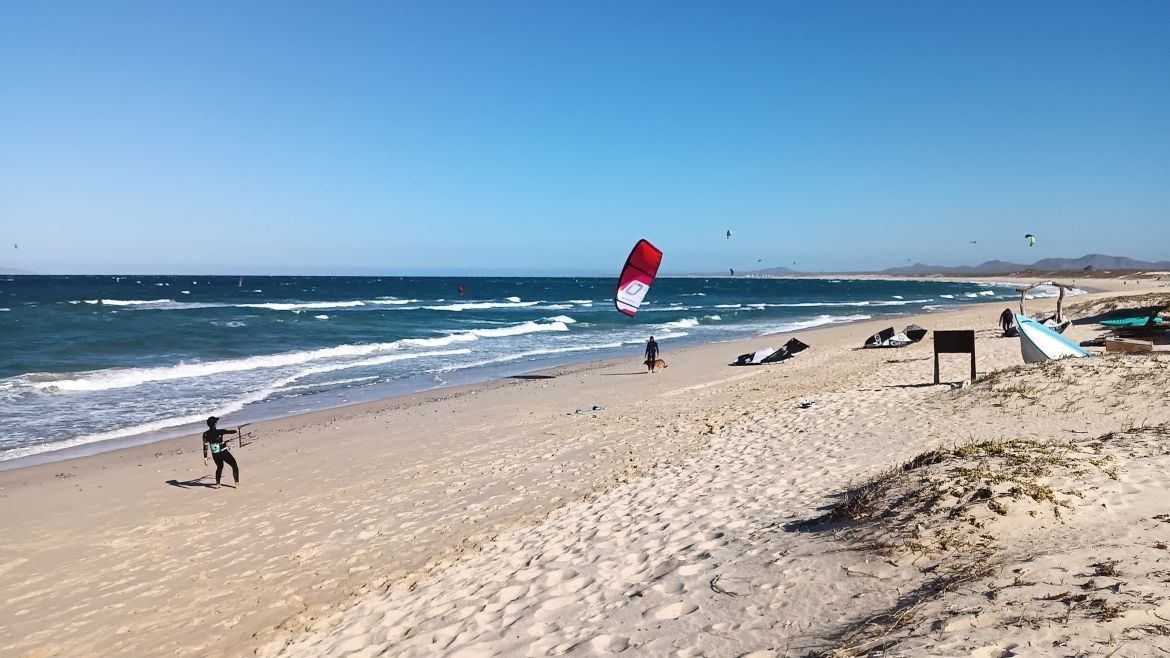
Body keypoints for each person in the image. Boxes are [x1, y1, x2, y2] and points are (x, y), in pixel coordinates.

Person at [202, 416, 239, 488]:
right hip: (223, 453)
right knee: (234, 465)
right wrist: (237, 431)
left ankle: (217, 484)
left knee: (219, 467)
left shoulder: (205, 434)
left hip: (215, 455)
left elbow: (206, 446)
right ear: (215, 424)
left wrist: (205, 458)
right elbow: (230, 432)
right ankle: (237, 483)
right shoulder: (220, 431)